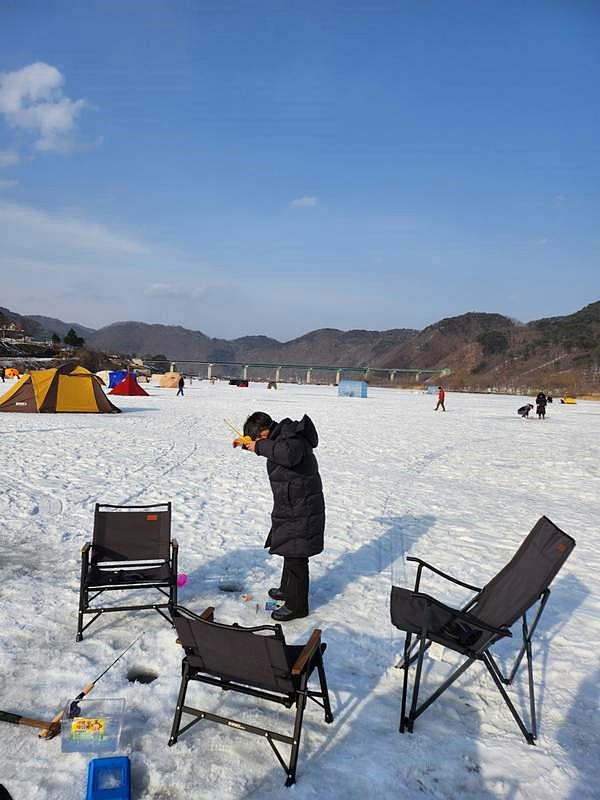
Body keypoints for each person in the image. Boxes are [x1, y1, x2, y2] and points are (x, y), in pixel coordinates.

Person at [233, 411, 325, 622]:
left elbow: (287, 454)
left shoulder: (291, 437)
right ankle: (287, 590)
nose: (258, 443)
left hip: (302, 507)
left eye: (257, 439)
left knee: (297, 556)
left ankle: (297, 606)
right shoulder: (281, 438)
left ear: (265, 432)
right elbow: (275, 451)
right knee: (289, 549)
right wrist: (247, 445)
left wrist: (259, 446)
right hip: (293, 504)